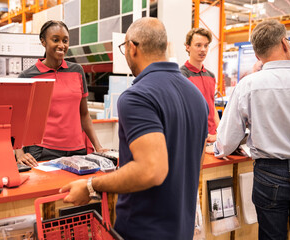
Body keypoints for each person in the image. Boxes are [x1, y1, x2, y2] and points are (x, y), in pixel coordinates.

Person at [60, 17, 209, 240]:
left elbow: (151, 170)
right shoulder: (196, 95)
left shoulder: (137, 96)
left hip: (143, 230)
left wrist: (91, 186)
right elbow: (197, 161)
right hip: (182, 230)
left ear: (132, 47)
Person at [213, 19, 290, 240]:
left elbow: (227, 141)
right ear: (286, 44)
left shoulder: (248, 85)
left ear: (258, 56)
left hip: (269, 174)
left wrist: (217, 148)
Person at [15, 20, 106, 167]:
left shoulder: (77, 71)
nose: (61, 45)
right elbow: (17, 119)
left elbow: (84, 114)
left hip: (78, 150)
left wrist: (98, 146)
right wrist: (19, 153)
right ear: (43, 42)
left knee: (78, 189)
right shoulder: (28, 76)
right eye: (55, 40)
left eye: (65, 40)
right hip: (44, 151)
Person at [180, 28, 220, 143]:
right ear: (188, 47)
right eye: (198, 45)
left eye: (206, 45)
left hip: (213, 137)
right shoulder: (181, 75)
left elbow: (212, 105)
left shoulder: (211, 76)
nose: (203, 50)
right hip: (193, 137)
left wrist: (220, 131)